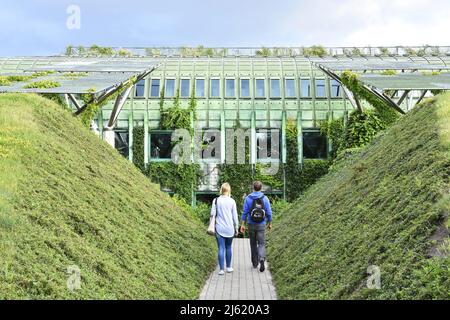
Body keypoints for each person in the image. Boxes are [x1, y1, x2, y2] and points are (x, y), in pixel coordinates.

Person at [240, 181, 273, 272]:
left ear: (253, 188)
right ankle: (262, 258)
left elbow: (245, 212)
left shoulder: (248, 198)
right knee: (261, 243)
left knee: (253, 243)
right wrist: (270, 223)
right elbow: (269, 212)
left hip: (251, 224)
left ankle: (255, 263)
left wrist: (242, 224)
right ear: (261, 188)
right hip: (261, 224)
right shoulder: (265, 198)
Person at [211, 183, 239, 275]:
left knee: (221, 248)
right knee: (228, 247)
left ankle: (221, 270)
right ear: (229, 190)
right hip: (230, 228)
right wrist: (236, 227)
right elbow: (235, 216)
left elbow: (212, 214)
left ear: (221, 190)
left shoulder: (216, 200)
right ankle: (229, 267)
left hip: (219, 228)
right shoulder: (232, 201)